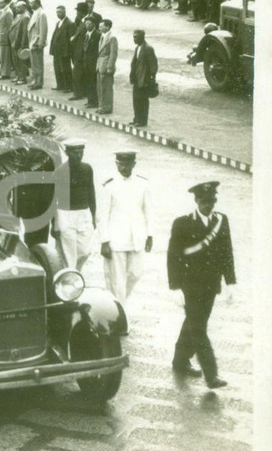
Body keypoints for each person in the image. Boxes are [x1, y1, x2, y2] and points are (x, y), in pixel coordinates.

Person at [167, 181, 235, 389]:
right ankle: (211, 375)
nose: (209, 205)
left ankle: (179, 360)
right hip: (190, 284)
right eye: (205, 202)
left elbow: (226, 252)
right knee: (198, 328)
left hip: (211, 285)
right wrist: (175, 286)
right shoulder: (182, 223)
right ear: (196, 201)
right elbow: (173, 256)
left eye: (212, 201)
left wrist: (230, 282)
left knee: (194, 322)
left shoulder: (222, 220)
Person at [100, 151, 152, 306]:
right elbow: (102, 215)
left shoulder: (143, 184)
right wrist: (104, 241)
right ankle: (119, 314)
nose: (124, 167)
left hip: (136, 238)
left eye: (127, 164)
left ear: (134, 164)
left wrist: (150, 235)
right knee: (117, 279)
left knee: (136, 274)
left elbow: (148, 211)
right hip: (115, 239)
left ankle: (115, 304)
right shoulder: (109, 185)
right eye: (120, 164)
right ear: (116, 164)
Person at [51, 138, 96, 272]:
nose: (79, 155)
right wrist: (54, 224)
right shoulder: (60, 172)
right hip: (65, 215)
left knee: (85, 251)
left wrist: (93, 215)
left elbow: (91, 192)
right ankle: (69, 280)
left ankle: (74, 275)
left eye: (81, 152)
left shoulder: (87, 169)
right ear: (67, 153)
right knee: (68, 254)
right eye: (75, 152)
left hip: (84, 213)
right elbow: (55, 199)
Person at [129, 29, 158, 128]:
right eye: (133, 37)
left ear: (142, 37)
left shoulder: (148, 48)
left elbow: (153, 65)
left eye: (136, 37)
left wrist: (151, 79)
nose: (134, 39)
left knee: (143, 101)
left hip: (144, 79)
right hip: (137, 78)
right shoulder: (138, 48)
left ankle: (142, 121)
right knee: (136, 99)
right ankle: (137, 118)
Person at [95, 19, 118, 115]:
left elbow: (113, 54)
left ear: (108, 27)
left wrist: (110, 66)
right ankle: (101, 106)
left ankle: (107, 107)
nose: (99, 28)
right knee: (100, 87)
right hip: (100, 65)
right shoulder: (103, 36)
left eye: (101, 26)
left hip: (106, 66)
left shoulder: (112, 38)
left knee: (107, 88)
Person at [49, 5, 74, 92]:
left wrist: (67, 51)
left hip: (64, 51)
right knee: (57, 68)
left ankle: (68, 86)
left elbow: (70, 39)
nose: (58, 14)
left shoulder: (69, 23)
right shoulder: (58, 23)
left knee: (66, 69)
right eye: (57, 12)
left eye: (59, 12)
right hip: (57, 51)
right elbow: (54, 36)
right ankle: (60, 85)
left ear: (64, 12)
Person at [27, 0, 48, 89]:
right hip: (32, 42)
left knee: (38, 63)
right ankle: (35, 80)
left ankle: (39, 82)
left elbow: (43, 30)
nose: (30, 4)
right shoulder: (35, 12)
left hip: (36, 42)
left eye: (32, 3)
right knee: (34, 64)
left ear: (37, 3)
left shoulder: (42, 14)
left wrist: (41, 43)